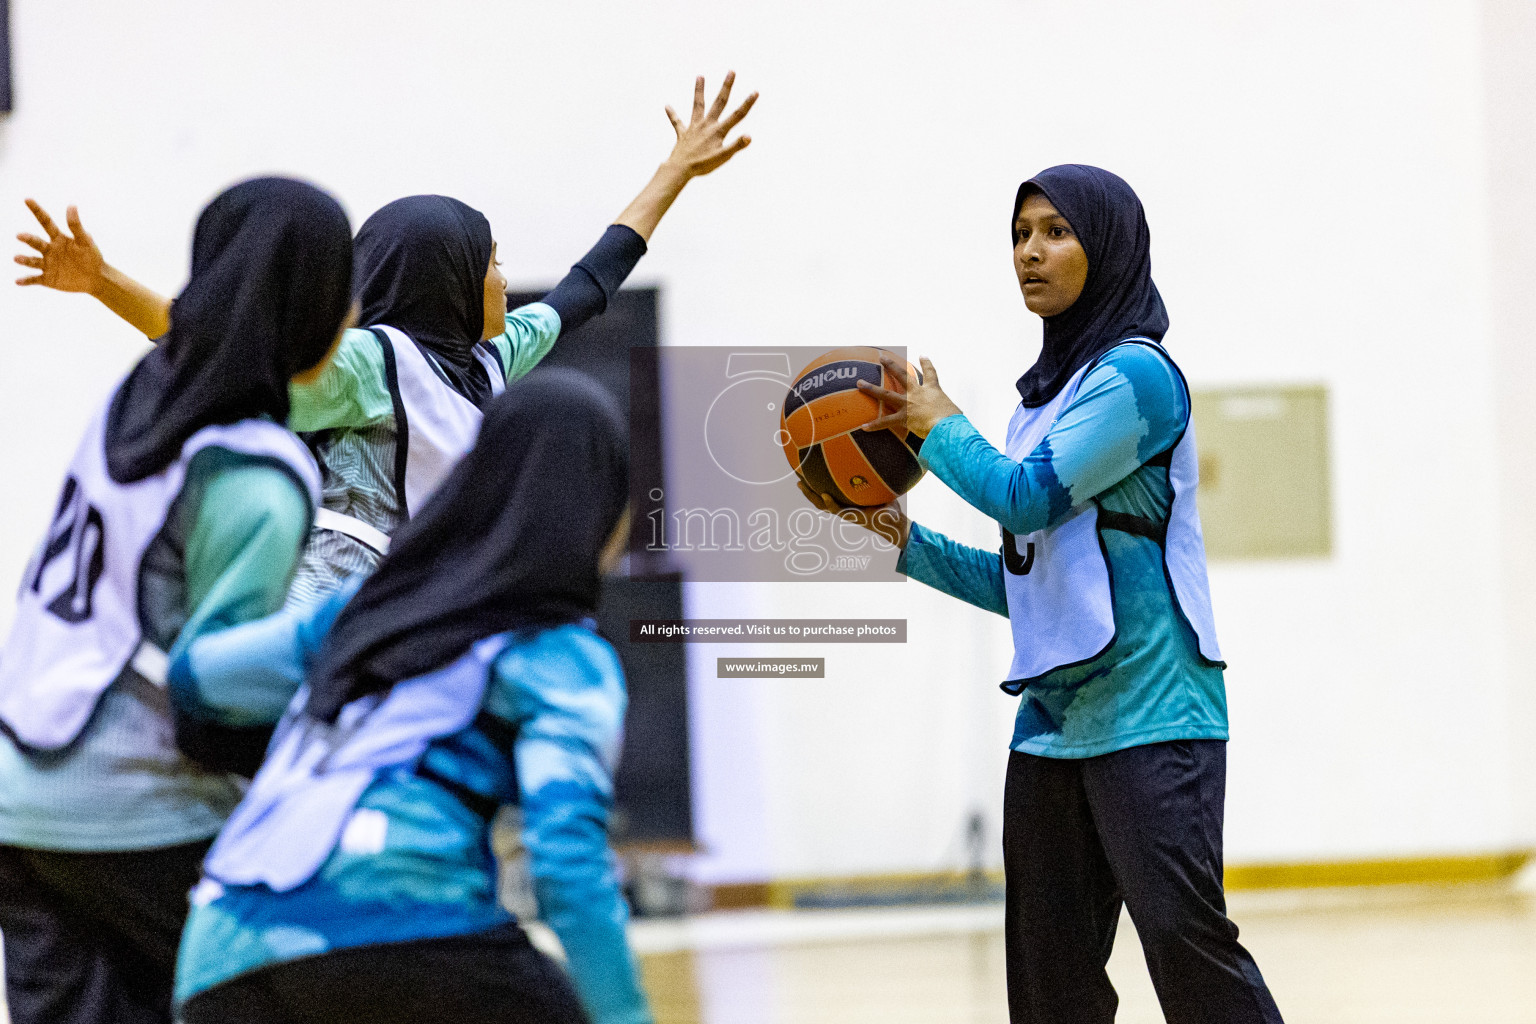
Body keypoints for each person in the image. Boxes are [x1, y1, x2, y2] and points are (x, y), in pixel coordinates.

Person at [804, 164, 1285, 1023]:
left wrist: (937, 425)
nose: (1032, 251)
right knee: (1049, 983)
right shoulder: (1044, 401)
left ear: (1109, 248)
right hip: (1054, 734)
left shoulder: (1139, 379)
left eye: (1057, 232)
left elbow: (1023, 496)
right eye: (1020, 234)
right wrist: (903, 543)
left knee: (1188, 954)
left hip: (1155, 717)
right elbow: (1029, 585)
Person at [14, 73, 756, 605]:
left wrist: (675, 170)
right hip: (327, 595)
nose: (502, 276)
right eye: (489, 260)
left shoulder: (491, 360)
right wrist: (102, 279)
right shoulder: (374, 362)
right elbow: (219, 338)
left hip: (414, 599)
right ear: (448, 278)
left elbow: (589, 283)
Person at [170, 369, 646, 1024]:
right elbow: (567, 865)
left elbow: (199, 677)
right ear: (598, 509)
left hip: (221, 951)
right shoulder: (557, 656)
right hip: (406, 924)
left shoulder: (359, 615)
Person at [0, 177, 356, 1024]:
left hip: (16, 791)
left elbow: (204, 332)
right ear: (314, 307)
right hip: (140, 807)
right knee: (313, 987)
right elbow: (211, 694)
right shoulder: (256, 473)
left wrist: (103, 282)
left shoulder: (144, 387)